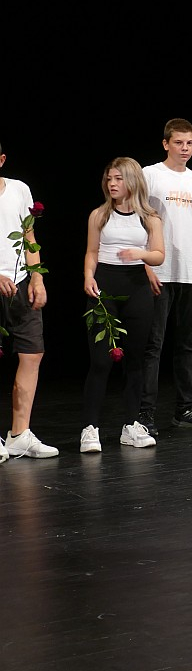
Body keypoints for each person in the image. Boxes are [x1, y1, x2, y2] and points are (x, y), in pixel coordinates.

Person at [81, 158, 165, 451]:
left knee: (135, 360)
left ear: (132, 181)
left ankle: (131, 425)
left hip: (137, 288)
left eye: (118, 178)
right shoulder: (99, 215)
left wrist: (140, 254)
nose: (112, 184)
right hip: (105, 287)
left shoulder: (149, 218)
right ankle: (90, 428)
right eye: (109, 179)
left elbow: (159, 255)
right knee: (101, 360)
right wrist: (88, 276)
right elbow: (92, 252)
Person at [142, 118, 192, 432]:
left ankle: (185, 409)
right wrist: (146, 265)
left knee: (188, 345)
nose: (185, 148)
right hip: (159, 270)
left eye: (189, 143)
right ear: (165, 144)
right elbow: (137, 220)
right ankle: (144, 415)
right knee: (153, 345)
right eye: (178, 143)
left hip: (190, 273)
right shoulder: (149, 175)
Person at [0, 142, 56, 462]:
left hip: (21, 282)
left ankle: (19, 435)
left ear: (2, 160)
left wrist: (37, 278)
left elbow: (29, 237)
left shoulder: (19, 189)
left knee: (32, 353)